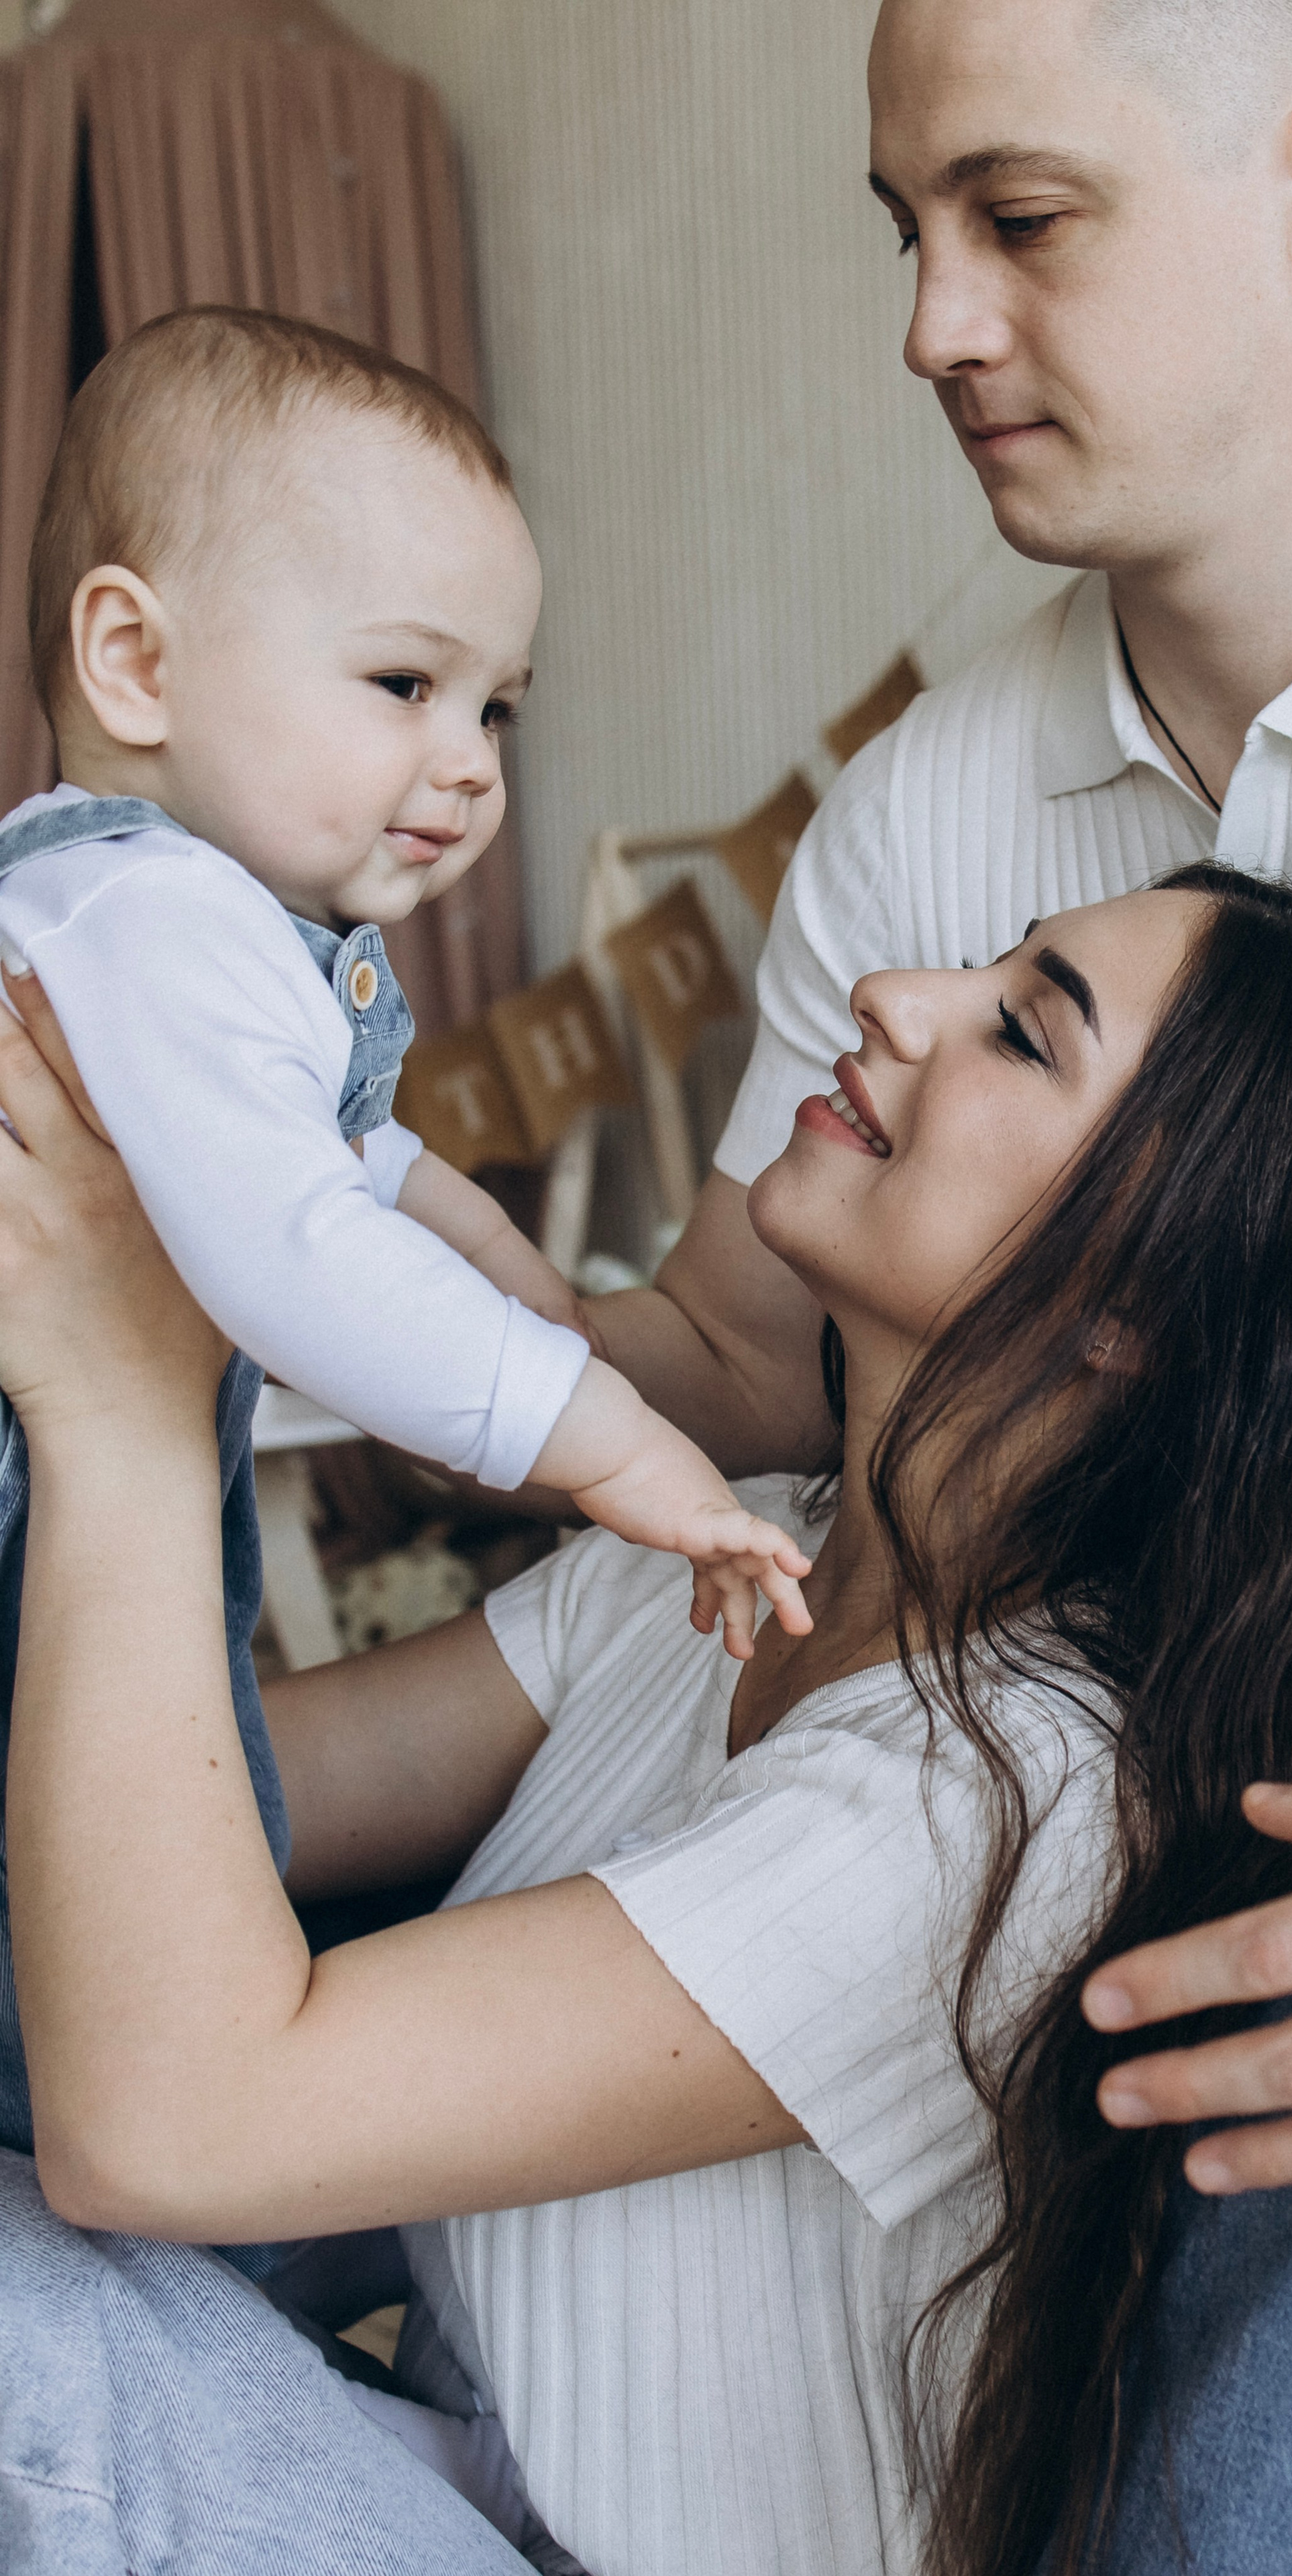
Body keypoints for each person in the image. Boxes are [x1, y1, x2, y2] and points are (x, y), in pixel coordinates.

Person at [2, 869, 1292, 2576]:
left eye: (1018, 1030)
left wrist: (125, 1399)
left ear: (1140, 1306)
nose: (895, 994)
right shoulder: (731, 1557)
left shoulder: (1013, 1791)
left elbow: (170, 2115)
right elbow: (163, 1820)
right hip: (439, 2479)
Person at [567, 0, 1292, 2294]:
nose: (931, 326)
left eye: (1019, 221)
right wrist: (287, 1221)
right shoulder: (923, 811)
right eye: (908, 231)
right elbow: (727, 1355)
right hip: (1140, 1756)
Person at [0, 305, 811, 2163]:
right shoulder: (161, 929)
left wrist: (521, 1285)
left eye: (497, 706)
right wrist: (611, 1445)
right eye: (402, 685)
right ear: (133, 658)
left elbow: (348, 1162)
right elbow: (289, 1252)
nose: (467, 765)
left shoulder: (172, 920)